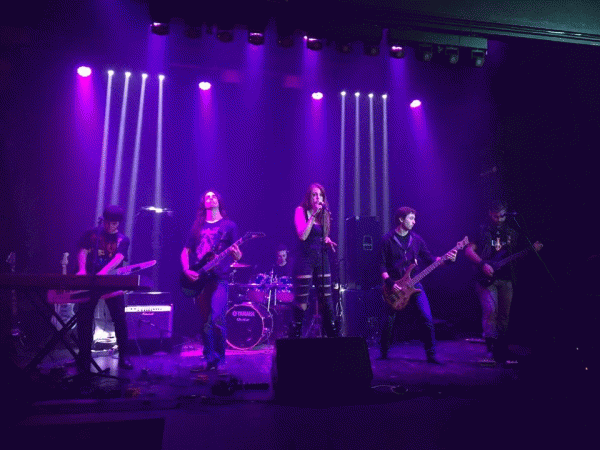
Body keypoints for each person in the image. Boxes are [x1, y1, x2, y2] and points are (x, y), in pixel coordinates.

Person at [465, 200, 541, 363]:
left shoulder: (513, 232)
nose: (499, 219)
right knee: (490, 312)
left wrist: (532, 250)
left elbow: (518, 256)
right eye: (495, 216)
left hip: (507, 278)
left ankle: (501, 349)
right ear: (490, 213)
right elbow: (469, 250)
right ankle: (490, 350)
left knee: (504, 316)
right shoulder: (482, 230)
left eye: (502, 216)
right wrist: (482, 264)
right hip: (486, 279)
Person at [380, 206, 457, 363]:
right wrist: (390, 283)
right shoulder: (387, 240)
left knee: (426, 317)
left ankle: (431, 355)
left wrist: (447, 260)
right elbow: (381, 265)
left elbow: (430, 260)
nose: (414, 222)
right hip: (394, 286)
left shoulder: (416, 240)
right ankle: (383, 353)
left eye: (414, 219)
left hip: (415, 284)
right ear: (401, 219)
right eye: (411, 218)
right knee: (388, 321)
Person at [181, 190, 242, 370]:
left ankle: (220, 358)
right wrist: (186, 269)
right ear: (203, 203)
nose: (210, 198)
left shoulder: (229, 226)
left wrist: (237, 255)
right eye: (207, 197)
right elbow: (185, 251)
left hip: (220, 277)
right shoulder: (197, 226)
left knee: (217, 318)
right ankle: (209, 357)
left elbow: (238, 254)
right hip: (201, 278)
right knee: (206, 321)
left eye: (213, 196)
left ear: (219, 201)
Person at [76, 205, 133, 371]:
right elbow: (83, 251)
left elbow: (119, 258)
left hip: (111, 282)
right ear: (103, 220)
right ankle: (84, 356)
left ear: (118, 223)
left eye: (114, 223)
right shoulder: (92, 234)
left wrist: (104, 272)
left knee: (119, 318)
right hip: (90, 281)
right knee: (84, 319)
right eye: (107, 222)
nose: (110, 226)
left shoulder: (122, 239)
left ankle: (124, 357)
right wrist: (81, 270)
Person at [290, 183, 339, 338]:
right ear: (309, 197)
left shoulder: (325, 214)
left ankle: (331, 334)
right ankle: (296, 334)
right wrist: (312, 216)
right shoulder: (301, 211)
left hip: (322, 258)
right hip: (305, 259)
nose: (318, 198)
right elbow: (302, 235)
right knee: (302, 299)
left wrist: (327, 240)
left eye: (320, 195)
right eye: (314, 195)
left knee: (326, 298)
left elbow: (323, 236)